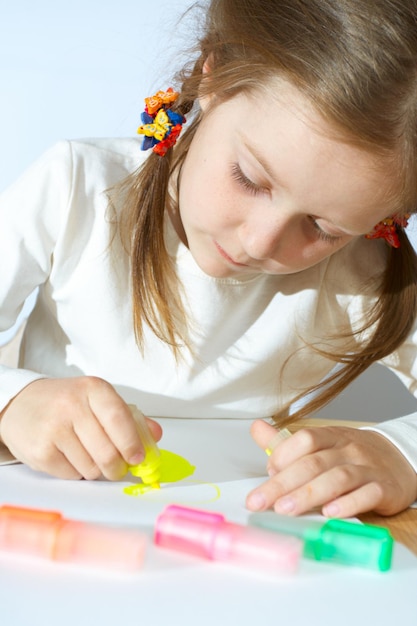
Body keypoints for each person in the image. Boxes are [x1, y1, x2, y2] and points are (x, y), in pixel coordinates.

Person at [1, 0, 417, 520]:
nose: (262, 243)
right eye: (249, 179)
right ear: (213, 75)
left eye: (323, 229)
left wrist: (403, 455)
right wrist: (12, 403)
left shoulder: (364, 274)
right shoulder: (75, 188)